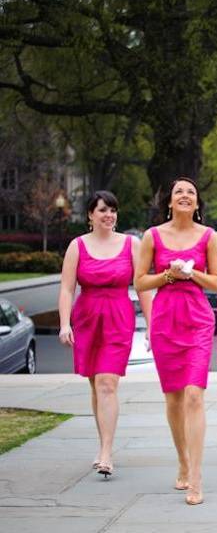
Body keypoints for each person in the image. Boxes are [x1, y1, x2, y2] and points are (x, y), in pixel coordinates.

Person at [135, 177, 217, 505]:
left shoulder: (208, 236)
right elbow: (141, 282)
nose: (185, 196)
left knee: (194, 396)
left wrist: (192, 274)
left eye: (191, 192)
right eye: (179, 192)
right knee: (173, 399)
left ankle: (197, 478)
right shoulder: (152, 236)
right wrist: (169, 275)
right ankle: (183, 460)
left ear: (197, 204)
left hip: (198, 320)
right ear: (170, 202)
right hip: (165, 322)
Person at [58, 191, 152, 478]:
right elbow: (66, 288)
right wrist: (65, 324)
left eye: (112, 210)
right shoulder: (77, 246)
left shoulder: (131, 244)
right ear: (90, 215)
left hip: (117, 317)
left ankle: (107, 453)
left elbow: (144, 286)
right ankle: (103, 445)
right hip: (86, 318)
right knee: (95, 384)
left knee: (107, 382)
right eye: (102, 210)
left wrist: (151, 326)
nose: (109, 215)